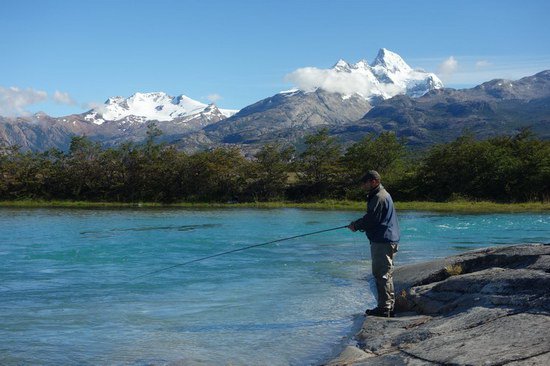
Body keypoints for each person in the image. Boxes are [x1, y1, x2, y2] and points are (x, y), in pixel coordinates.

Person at [348, 170, 400, 317]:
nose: (363, 186)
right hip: (387, 238)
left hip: (383, 240)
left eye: (365, 183)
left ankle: (384, 308)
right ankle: (389, 306)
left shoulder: (379, 196)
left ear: (374, 181)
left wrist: (356, 225)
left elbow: (372, 219)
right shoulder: (382, 194)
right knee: (385, 273)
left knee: (381, 273)